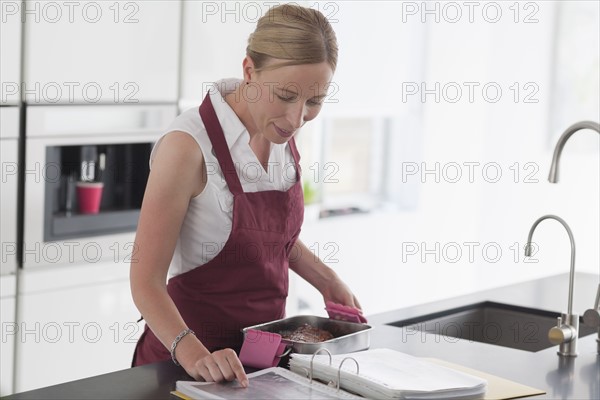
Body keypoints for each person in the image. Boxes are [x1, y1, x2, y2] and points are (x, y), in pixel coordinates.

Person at [130, 3, 361, 387]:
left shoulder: (280, 134)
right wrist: (196, 357)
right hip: (182, 371)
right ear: (249, 70)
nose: (296, 118)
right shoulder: (186, 147)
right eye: (286, 95)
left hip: (261, 368)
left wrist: (326, 278)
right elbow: (145, 281)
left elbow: (270, 240)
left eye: (314, 102)